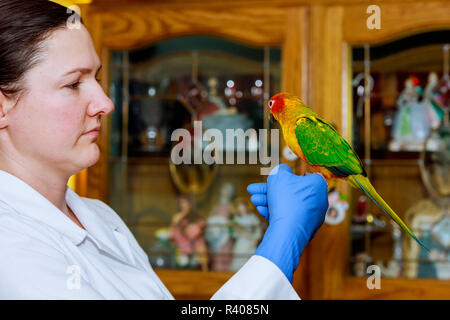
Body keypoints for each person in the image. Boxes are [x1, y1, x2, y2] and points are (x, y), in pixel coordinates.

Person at [0, 0, 329, 299]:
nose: (105, 102)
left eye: (97, 79)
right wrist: (281, 247)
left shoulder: (101, 217)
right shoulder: (10, 249)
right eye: (73, 84)